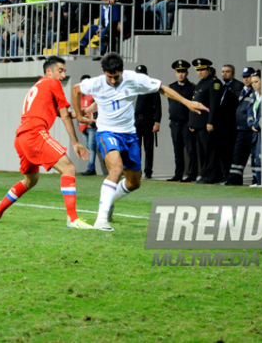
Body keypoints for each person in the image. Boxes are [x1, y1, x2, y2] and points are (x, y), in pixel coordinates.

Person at [71, 53, 208, 231]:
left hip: (129, 135)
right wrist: (80, 115)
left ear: (122, 71)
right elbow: (75, 90)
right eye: (109, 77)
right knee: (116, 169)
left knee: (134, 183)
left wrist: (187, 102)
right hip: (107, 132)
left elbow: (162, 88)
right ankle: (101, 219)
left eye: (116, 76)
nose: (113, 81)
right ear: (104, 72)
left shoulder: (134, 79)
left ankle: (109, 200)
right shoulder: (95, 82)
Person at [0, 56, 94, 229]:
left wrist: (83, 112)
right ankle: (73, 219)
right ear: (48, 71)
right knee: (69, 168)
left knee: (30, 180)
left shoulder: (37, 87)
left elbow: (63, 113)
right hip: (34, 134)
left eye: (65, 71)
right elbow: (65, 114)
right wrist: (75, 142)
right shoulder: (53, 83)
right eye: (60, 71)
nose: (63, 75)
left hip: (21, 137)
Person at [188, 58, 223, 184]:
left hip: (206, 124)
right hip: (198, 124)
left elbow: (214, 105)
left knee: (209, 151)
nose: (200, 72)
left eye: (202, 69)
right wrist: (192, 123)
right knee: (202, 152)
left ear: (208, 69)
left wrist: (210, 122)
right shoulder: (201, 83)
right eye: (198, 70)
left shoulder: (214, 83)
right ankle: (205, 174)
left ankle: (211, 176)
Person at [166, 60, 197, 182]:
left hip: (187, 123)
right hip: (174, 123)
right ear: (175, 73)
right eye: (178, 72)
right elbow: (171, 104)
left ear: (187, 73)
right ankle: (178, 174)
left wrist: (192, 123)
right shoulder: (172, 87)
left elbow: (193, 107)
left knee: (190, 150)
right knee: (177, 150)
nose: (181, 74)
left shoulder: (192, 88)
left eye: (183, 72)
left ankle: (191, 174)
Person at [225, 67, 256, 186]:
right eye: (244, 77)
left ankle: (257, 180)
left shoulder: (256, 91)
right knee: (237, 156)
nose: (246, 79)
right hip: (241, 129)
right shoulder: (241, 90)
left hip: (251, 130)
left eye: (248, 76)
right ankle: (234, 180)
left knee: (254, 158)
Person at [134, 65, 161, 179]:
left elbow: (158, 107)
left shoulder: (152, 87)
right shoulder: (133, 87)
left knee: (148, 147)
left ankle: (148, 171)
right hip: (135, 120)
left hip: (148, 120)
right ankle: (137, 171)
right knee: (136, 147)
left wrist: (157, 122)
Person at [79, 74, 98, 176]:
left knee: (91, 147)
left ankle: (91, 167)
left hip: (90, 125)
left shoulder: (93, 94)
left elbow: (97, 108)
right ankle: (90, 167)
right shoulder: (79, 95)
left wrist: (93, 121)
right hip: (82, 125)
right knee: (87, 147)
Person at [248, 69, 262, 187]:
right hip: (254, 131)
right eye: (252, 82)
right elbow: (249, 112)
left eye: (256, 81)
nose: (254, 84)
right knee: (256, 156)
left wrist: (257, 125)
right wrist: (251, 124)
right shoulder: (253, 95)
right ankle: (258, 181)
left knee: (261, 155)